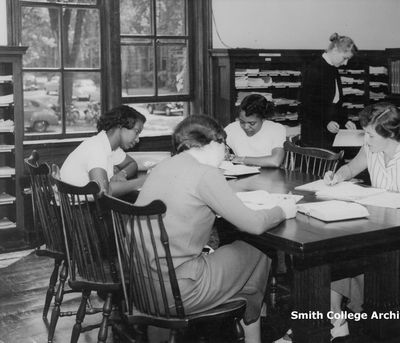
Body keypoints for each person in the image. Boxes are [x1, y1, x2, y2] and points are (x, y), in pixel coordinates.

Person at [135, 115, 297, 343]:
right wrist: (282, 210)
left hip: (144, 288)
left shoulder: (165, 166)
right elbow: (253, 224)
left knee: (240, 258)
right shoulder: (205, 173)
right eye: (225, 146)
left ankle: (245, 315)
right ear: (212, 143)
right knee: (259, 251)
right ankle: (253, 332)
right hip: (178, 292)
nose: (225, 154)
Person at [323, 102, 400, 338]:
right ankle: (335, 320)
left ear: (388, 133)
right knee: (338, 255)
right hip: (379, 225)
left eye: (369, 134)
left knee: (368, 265)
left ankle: (367, 325)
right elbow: (351, 168)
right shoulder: (370, 149)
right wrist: (336, 175)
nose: (365, 139)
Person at [60, 104, 147, 196]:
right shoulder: (96, 147)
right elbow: (103, 192)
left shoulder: (109, 145)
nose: (137, 139)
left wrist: (122, 173)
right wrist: (143, 181)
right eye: (136, 132)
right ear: (120, 126)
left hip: (83, 205)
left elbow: (132, 164)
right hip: (79, 207)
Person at [300, 33, 358, 149]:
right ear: (335, 50)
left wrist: (344, 120)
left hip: (330, 130)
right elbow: (308, 104)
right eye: (345, 58)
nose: (345, 63)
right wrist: (326, 122)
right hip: (315, 133)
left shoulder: (333, 68)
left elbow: (335, 102)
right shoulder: (314, 68)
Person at [225, 94, 286, 167]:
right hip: (243, 175)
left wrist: (241, 159)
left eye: (252, 123)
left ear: (263, 119)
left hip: (269, 176)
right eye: (242, 122)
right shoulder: (231, 128)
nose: (246, 127)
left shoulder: (276, 129)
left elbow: (275, 161)